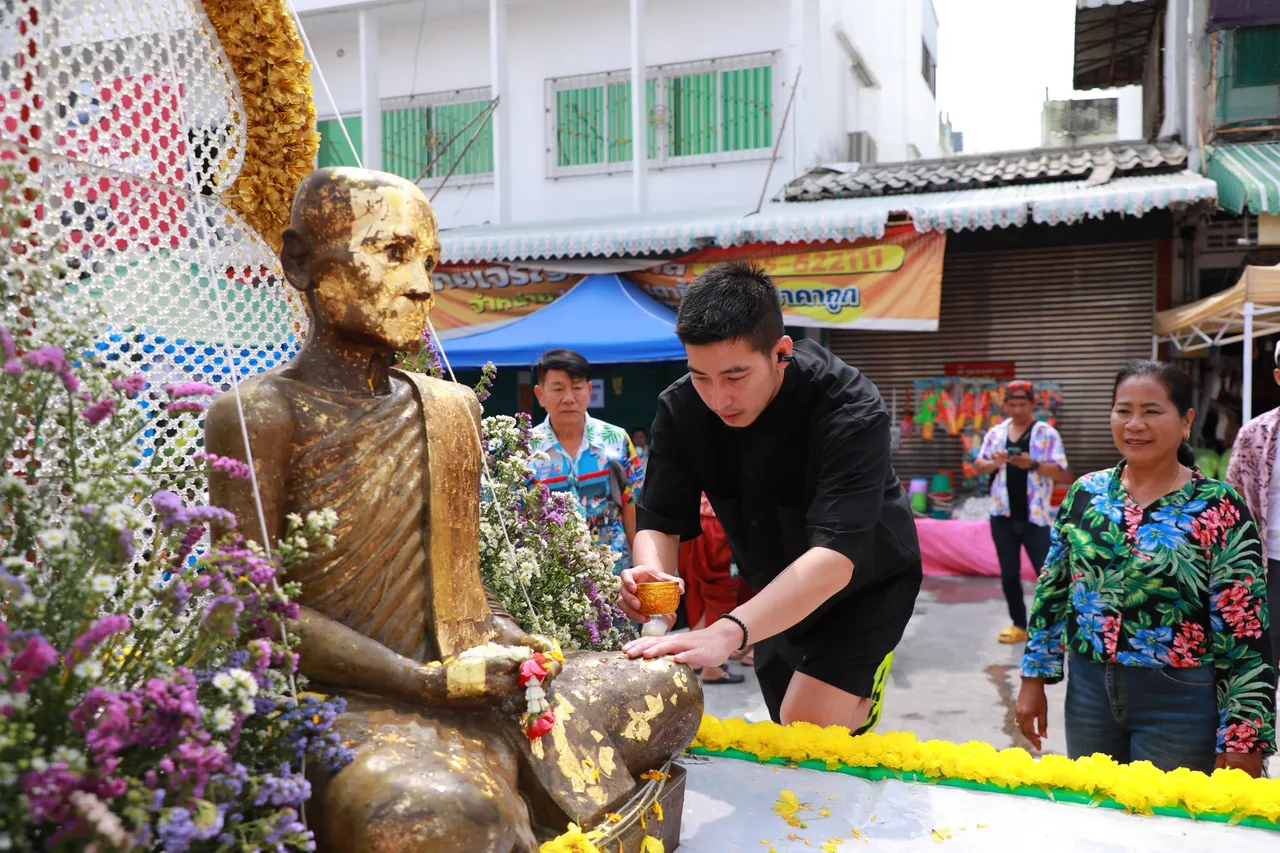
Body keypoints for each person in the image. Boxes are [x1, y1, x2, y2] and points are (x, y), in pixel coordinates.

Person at [619, 261, 923, 732]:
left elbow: (836, 556)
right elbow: (659, 519)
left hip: (865, 583)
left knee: (809, 722)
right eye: (701, 376)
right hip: (773, 584)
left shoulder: (849, 406)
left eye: (735, 377)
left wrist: (728, 631)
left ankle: (867, 696)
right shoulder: (681, 408)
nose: (719, 399)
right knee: (787, 739)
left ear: (780, 352)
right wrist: (654, 596)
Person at [1016, 360, 1275, 776]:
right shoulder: (1086, 494)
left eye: (1152, 411)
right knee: (1094, 814)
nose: (1135, 424)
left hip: (1181, 700)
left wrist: (1245, 736)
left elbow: (1244, 629)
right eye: (1124, 410)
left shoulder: (1219, 507)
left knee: (1167, 827)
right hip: (1089, 693)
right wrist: (1034, 678)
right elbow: (1053, 589)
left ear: (1186, 421)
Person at [530, 349, 643, 572]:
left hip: (613, 577)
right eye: (558, 389)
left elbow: (634, 509)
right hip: (552, 584)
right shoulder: (524, 451)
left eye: (577, 388)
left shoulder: (617, 441)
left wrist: (642, 571)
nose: (569, 398)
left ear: (589, 390)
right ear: (540, 394)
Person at [973, 380, 1068, 644]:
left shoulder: (1046, 434)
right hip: (1002, 515)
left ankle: (1053, 629)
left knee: (1047, 574)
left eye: (1022, 404)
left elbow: (1059, 470)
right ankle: (1018, 624)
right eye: (1012, 404)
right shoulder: (996, 432)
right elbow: (979, 466)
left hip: (1035, 517)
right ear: (1005, 406)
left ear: (1033, 405)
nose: (1017, 410)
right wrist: (996, 461)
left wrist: (1033, 464)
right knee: (1009, 574)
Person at [1224, 340, 1280, 667]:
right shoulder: (1254, 434)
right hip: (1269, 565)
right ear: (1277, 375)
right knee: (1262, 661)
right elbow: (1233, 502)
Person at [678, 493, 747, 685]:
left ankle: (696, 659)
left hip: (694, 523)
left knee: (697, 590)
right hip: (720, 523)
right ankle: (712, 668)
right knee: (722, 592)